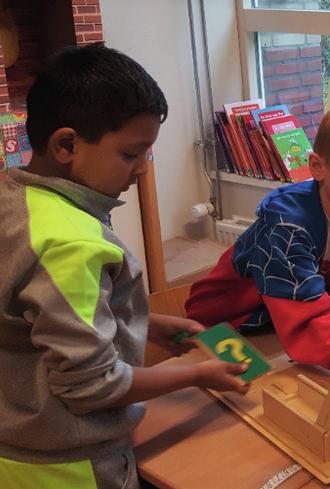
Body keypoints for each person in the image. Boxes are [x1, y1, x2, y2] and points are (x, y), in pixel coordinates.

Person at [0, 43, 248, 489]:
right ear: (67, 144)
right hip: (68, 465)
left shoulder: (16, 200)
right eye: (132, 154)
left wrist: (143, 322)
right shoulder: (70, 243)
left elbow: (37, 316)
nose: (142, 170)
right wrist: (192, 374)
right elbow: (91, 388)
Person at [186, 100, 330, 370]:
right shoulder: (287, 227)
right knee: (252, 403)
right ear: (317, 166)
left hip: (276, 323)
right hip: (223, 325)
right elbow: (308, 328)